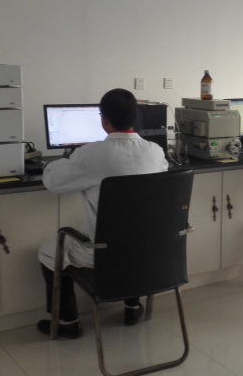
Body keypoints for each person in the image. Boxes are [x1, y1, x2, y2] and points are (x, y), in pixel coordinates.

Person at [37, 88, 168, 338]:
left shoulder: (91, 154)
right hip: (148, 251)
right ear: (135, 116)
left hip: (102, 254)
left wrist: (53, 164)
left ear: (104, 120)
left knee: (48, 251)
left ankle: (67, 322)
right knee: (132, 228)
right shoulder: (155, 151)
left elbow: (53, 182)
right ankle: (132, 307)